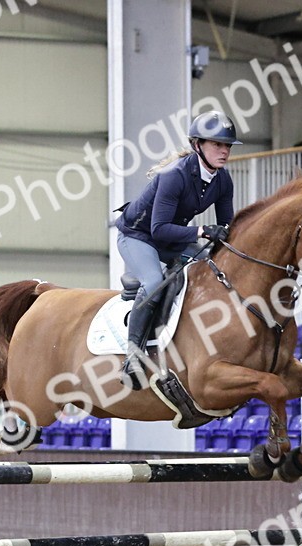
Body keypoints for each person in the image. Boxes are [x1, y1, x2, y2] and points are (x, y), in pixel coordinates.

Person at [113, 110, 241, 388]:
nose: (224, 151)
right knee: (154, 281)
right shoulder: (174, 176)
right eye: (217, 144)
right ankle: (132, 357)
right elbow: (158, 228)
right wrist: (201, 231)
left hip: (172, 240)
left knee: (212, 269)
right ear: (198, 145)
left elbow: (227, 226)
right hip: (138, 236)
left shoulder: (223, 180)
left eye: (227, 146)